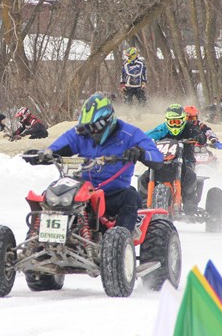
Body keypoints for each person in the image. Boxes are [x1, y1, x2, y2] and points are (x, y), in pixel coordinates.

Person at [37, 93, 163, 232]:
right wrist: (45, 154)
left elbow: (157, 158)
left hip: (113, 194)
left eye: (96, 126)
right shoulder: (82, 133)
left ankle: (120, 240)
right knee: (52, 195)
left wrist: (141, 152)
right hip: (84, 190)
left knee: (131, 197)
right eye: (88, 127)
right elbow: (61, 145)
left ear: (109, 120)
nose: (92, 132)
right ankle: (36, 237)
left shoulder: (130, 134)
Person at [147, 104, 207, 211]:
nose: (174, 125)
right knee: (144, 177)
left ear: (183, 120)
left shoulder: (190, 128)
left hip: (185, 160)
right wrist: (143, 140)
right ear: (167, 121)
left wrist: (200, 137)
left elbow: (199, 134)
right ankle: (144, 203)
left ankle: (189, 205)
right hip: (164, 161)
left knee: (190, 176)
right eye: (172, 122)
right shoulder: (163, 128)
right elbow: (149, 135)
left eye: (177, 122)